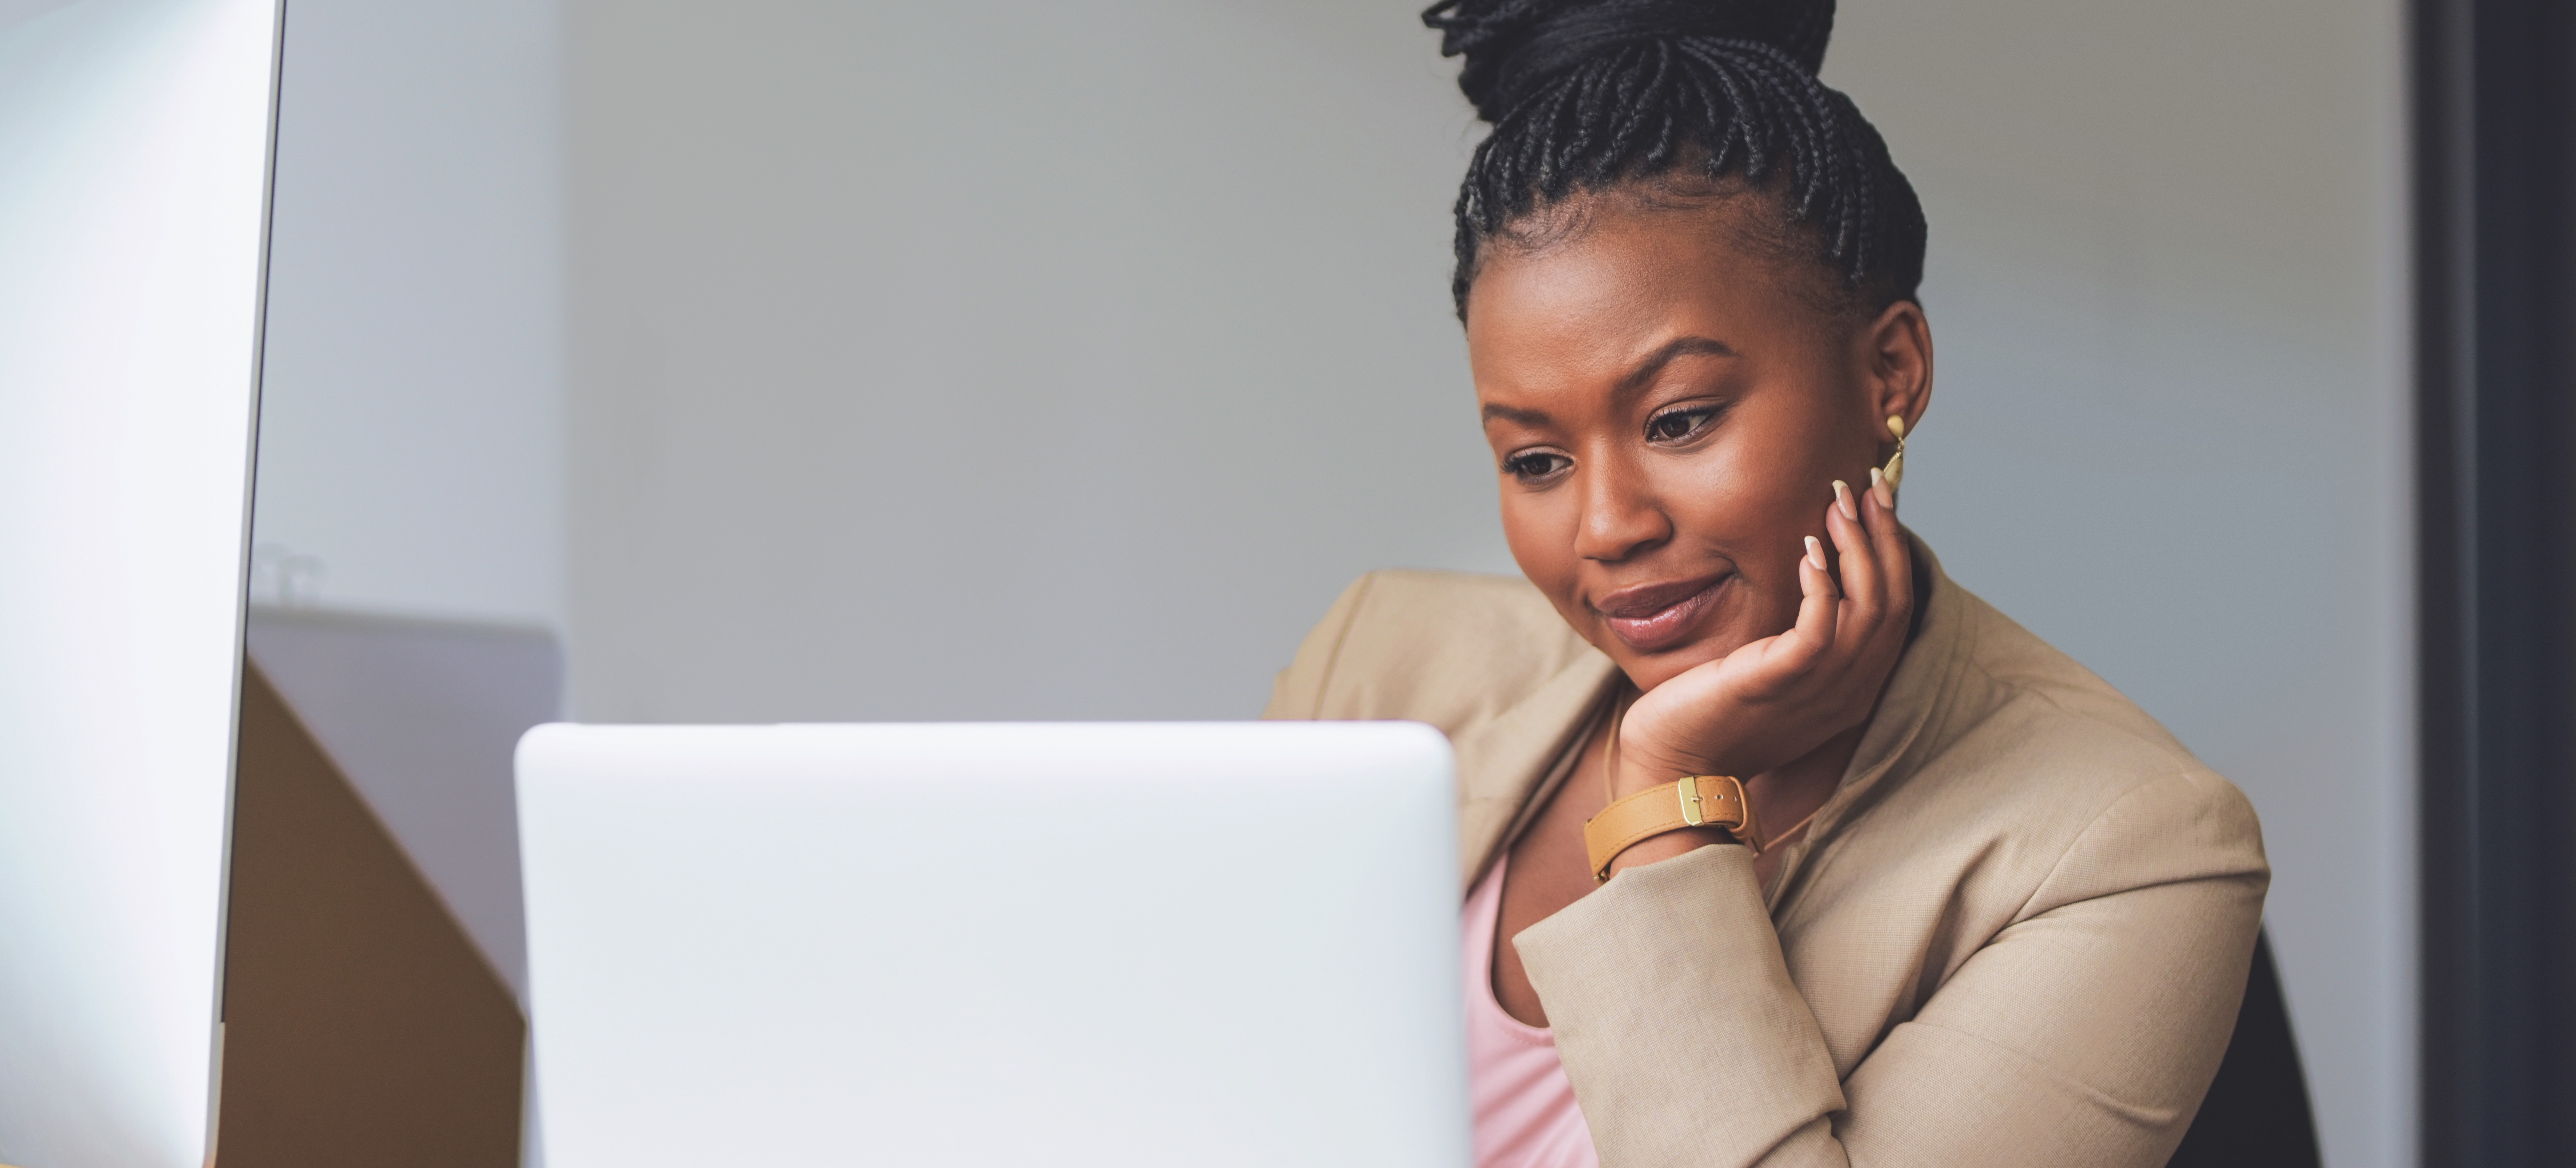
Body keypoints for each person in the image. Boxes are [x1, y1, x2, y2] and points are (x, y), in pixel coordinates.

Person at [1262, 1, 2272, 1164]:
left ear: (1891, 370)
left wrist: (1666, 795)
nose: (1607, 528)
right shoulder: (1382, 662)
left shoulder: (2124, 851)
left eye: (1681, 420)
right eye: (1535, 460)